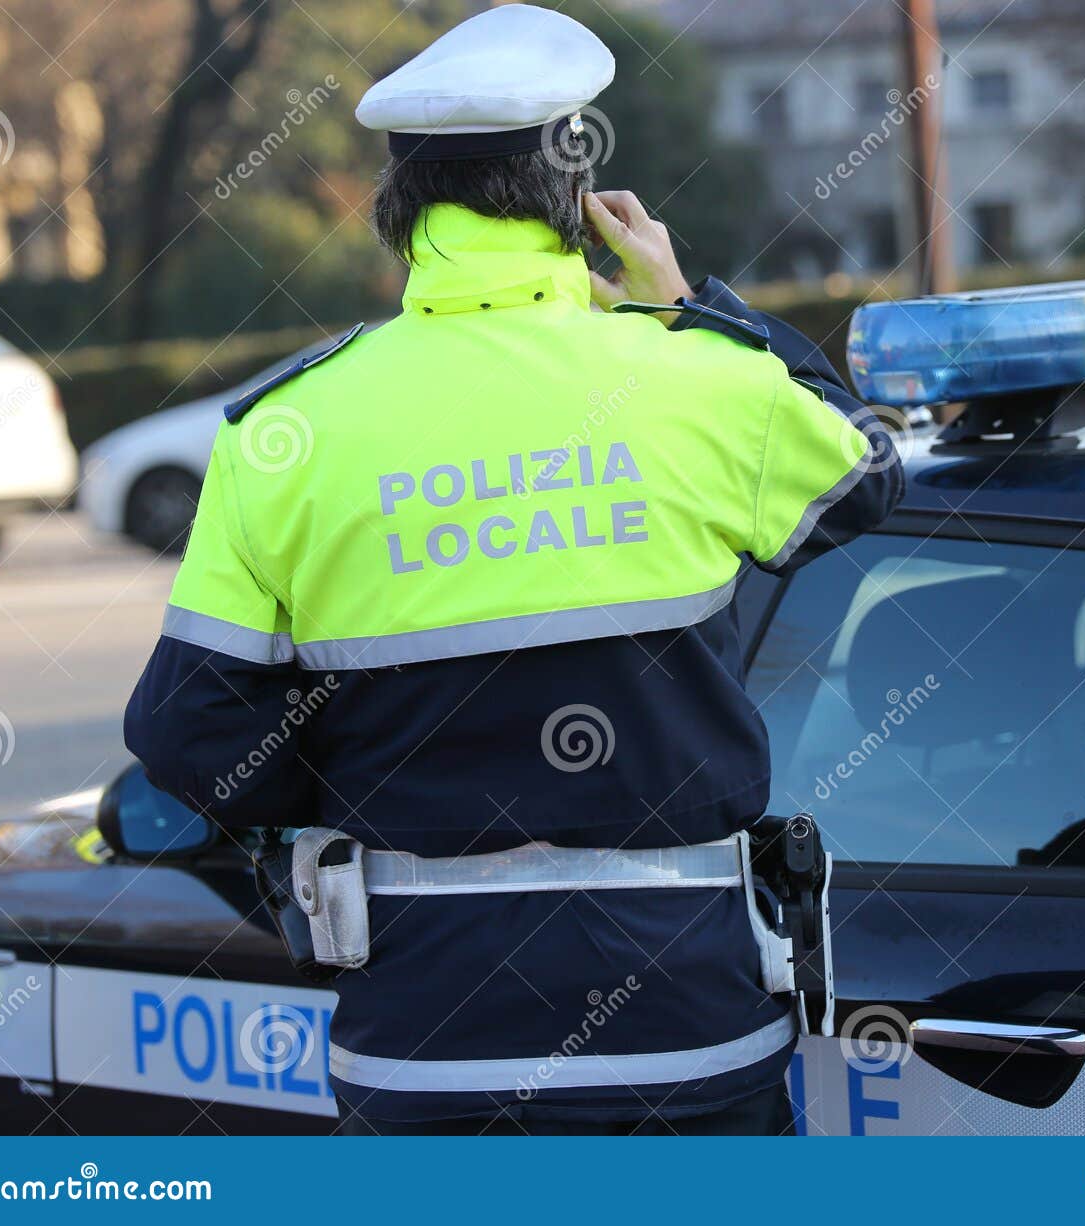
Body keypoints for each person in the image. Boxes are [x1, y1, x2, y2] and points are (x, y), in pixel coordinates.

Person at [123, 4, 902, 1136]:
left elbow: (188, 733)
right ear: (580, 197)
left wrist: (351, 792)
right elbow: (866, 470)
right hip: (686, 1036)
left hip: (425, 1049)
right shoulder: (692, 380)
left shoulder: (285, 430)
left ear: (399, 211)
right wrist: (690, 307)